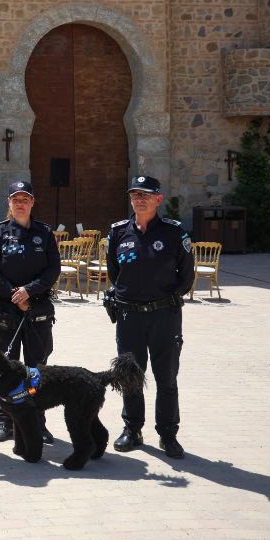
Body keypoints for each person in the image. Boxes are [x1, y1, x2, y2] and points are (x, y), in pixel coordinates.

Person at [105, 175, 195, 459]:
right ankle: (132, 429)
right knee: (130, 375)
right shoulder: (119, 232)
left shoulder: (174, 233)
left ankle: (168, 434)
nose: (139, 199)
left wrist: (165, 300)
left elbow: (187, 276)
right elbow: (114, 273)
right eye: (135, 195)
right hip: (129, 316)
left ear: (159, 199)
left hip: (164, 316)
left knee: (166, 377)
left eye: (145, 194)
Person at [0, 181, 60, 445]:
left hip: (37, 310)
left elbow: (52, 271)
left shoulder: (44, 233)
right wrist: (15, 295)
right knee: (5, 368)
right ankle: (5, 421)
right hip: (6, 310)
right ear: (9, 203)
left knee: (37, 368)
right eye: (16, 199)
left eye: (25, 199)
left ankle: (38, 421)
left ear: (32, 202)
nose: (20, 203)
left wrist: (29, 291)